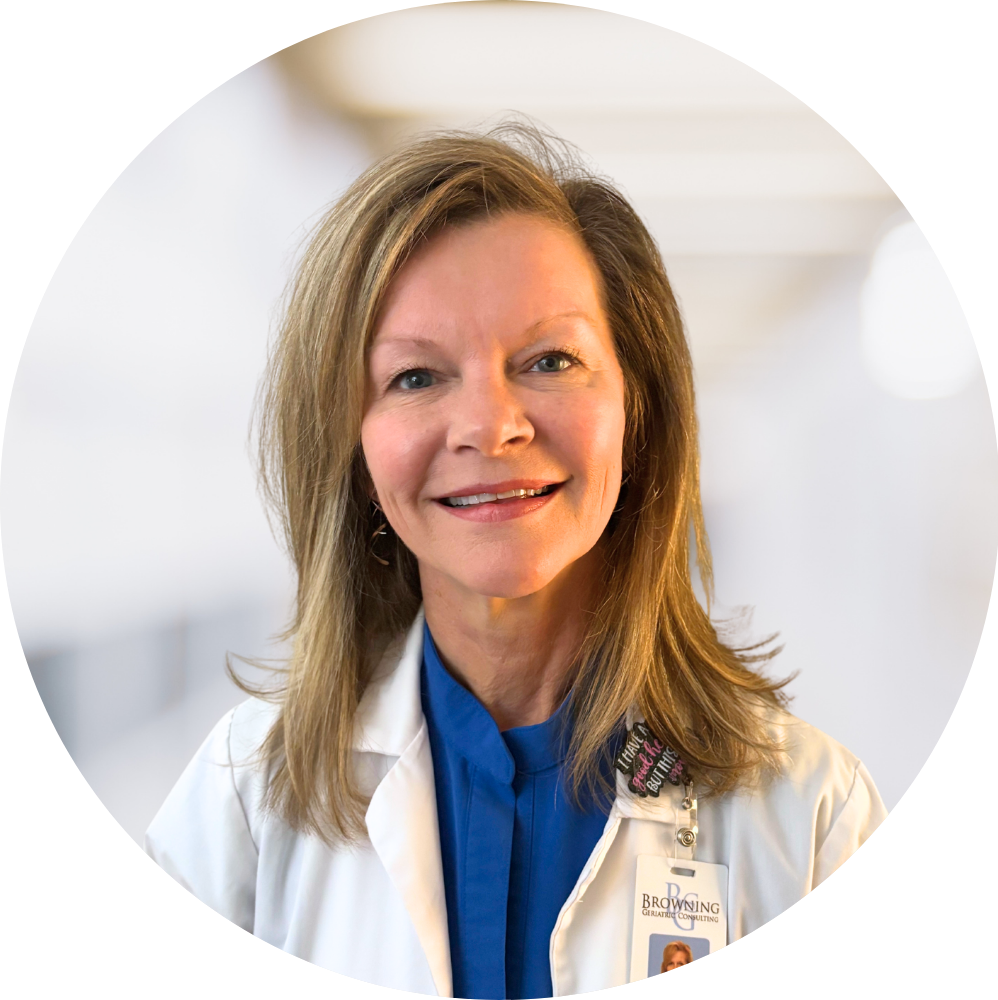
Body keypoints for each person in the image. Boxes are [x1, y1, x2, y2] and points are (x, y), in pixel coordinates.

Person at [144, 123, 886, 999]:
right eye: (415, 377)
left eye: (550, 360)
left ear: (635, 410)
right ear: (351, 447)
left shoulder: (808, 816)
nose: (492, 425)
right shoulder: (241, 809)